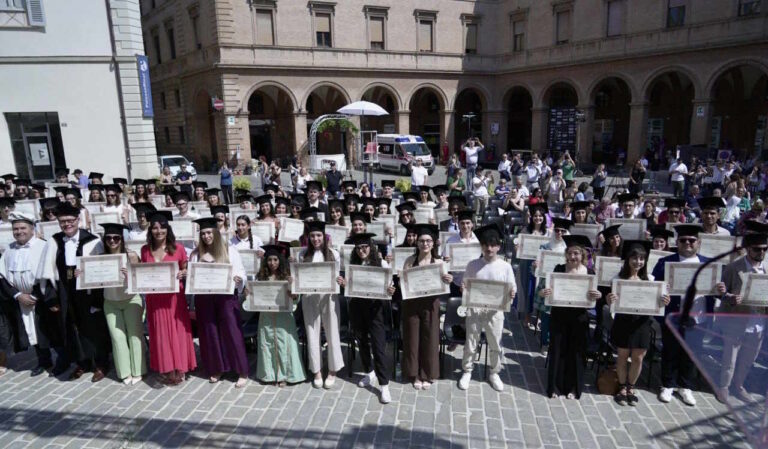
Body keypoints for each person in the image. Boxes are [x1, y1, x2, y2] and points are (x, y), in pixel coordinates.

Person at [651, 224, 726, 406]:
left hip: (697, 315)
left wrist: (720, 290)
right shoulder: (665, 262)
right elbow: (654, 287)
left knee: (692, 353)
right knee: (670, 351)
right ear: (677, 242)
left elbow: (715, 291)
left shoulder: (709, 264)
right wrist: (662, 295)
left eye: (691, 240)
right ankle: (667, 384)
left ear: (698, 243)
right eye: (683, 240)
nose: (687, 243)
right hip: (673, 314)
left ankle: (686, 387)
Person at [37, 202, 110, 381]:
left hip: (88, 293)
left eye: (70, 220)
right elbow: (46, 273)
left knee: (93, 326)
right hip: (64, 290)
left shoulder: (92, 241)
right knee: (71, 327)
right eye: (63, 221)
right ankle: (82, 363)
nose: (67, 224)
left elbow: (102, 270)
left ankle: (101, 363)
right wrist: (52, 299)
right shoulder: (54, 241)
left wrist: (97, 297)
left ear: (78, 220)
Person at [606, 240, 670, 406]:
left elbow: (657, 303)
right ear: (628, 260)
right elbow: (610, 302)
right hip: (623, 321)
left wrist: (664, 301)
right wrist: (609, 299)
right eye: (634, 258)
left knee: (638, 357)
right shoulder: (618, 278)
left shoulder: (651, 279)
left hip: (642, 323)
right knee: (622, 356)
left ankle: (631, 387)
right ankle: (621, 387)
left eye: (642, 259)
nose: (638, 262)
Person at [537, 235, 602, 399]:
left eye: (577, 254)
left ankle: (574, 387)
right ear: (566, 254)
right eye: (571, 253)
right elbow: (542, 291)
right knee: (558, 350)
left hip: (580, 318)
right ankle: (554, 387)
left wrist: (598, 294)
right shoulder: (558, 270)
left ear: (582, 255)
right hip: (559, 316)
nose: (573, 257)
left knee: (577, 352)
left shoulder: (590, 273)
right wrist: (543, 292)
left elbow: (598, 296)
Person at [190, 217, 249, 388]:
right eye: (203, 234)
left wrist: (239, 279)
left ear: (216, 233)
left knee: (232, 332)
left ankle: (241, 370)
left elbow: (241, 273)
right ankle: (217, 367)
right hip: (204, 299)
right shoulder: (195, 255)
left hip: (226, 298)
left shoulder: (229, 251)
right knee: (210, 333)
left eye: (209, 232)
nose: (207, 236)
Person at [457, 223, 516, 392]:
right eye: (485, 245)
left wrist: (511, 293)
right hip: (475, 309)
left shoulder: (505, 266)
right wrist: (464, 288)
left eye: (492, 245)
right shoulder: (473, 265)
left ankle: (494, 372)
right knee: (471, 341)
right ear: (481, 246)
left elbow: (512, 287)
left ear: (498, 246)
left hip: (495, 312)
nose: (489, 248)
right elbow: (466, 284)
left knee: (495, 342)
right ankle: (467, 370)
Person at [339, 233, 396, 404]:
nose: (362, 250)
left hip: (374, 308)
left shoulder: (382, 263)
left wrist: (390, 290)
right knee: (361, 341)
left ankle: (384, 384)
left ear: (371, 247)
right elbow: (349, 286)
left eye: (364, 247)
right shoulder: (353, 265)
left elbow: (389, 286)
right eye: (358, 248)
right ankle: (369, 371)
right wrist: (344, 284)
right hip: (357, 307)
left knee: (378, 346)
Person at [140, 211, 196, 386]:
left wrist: (184, 272)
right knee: (160, 332)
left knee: (176, 331)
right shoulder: (145, 250)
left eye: (162, 227)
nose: (158, 231)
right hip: (155, 299)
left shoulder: (178, 248)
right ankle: (167, 368)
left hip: (174, 298)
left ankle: (179, 367)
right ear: (151, 230)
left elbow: (186, 269)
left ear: (167, 229)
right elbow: (142, 272)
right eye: (155, 228)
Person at [715, 223, 767, 403]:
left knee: (748, 358)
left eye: (765, 249)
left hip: (759, 322)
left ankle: (739, 385)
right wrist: (730, 297)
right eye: (757, 249)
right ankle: (724, 387)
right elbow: (721, 293)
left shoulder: (767, 267)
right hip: (736, 320)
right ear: (747, 249)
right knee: (730, 357)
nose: (761, 253)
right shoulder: (734, 268)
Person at [400, 224, 453, 390]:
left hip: (431, 303)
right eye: (422, 241)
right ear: (417, 243)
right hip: (412, 303)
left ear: (433, 243)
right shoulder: (409, 261)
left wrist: (448, 279)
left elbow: (444, 284)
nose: (425, 244)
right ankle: (415, 373)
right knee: (413, 339)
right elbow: (405, 283)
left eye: (428, 241)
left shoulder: (438, 262)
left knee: (430, 338)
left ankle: (428, 373)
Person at [0, 213, 51, 376]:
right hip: (20, 298)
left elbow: (50, 274)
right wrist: (17, 295)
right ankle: (43, 361)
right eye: (15, 229)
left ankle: (62, 361)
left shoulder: (43, 246)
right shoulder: (9, 249)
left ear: (32, 229)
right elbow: (2, 277)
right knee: (31, 330)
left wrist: (35, 296)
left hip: (41, 296)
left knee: (47, 329)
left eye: (23, 228)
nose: (19, 231)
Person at [98, 223, 147, 385]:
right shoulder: (100, 257)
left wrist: (131, 274)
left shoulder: (131, 256)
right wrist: (82, 273)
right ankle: (125, 372)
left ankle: (138, 370)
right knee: (117, 337)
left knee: (135, 335)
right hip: (110, 302)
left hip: (131, 300)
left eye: (116, 238)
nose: (112, 241)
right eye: (109, 238)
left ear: (122, 239)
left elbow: (142, 278)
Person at [298, 220, 344, 388]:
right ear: (308, 238)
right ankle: (316, 369)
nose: (315, 239)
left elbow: (337, 275)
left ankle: (333, 369)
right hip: (309, 296)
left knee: (332, 331)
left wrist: (339, 280)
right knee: (312, 332)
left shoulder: (334, 253)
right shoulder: (302, 254)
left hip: (329, 296)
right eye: (312, 236)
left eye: (318, 235)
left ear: (324, 237)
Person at [255, 245, 305, 386]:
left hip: (284, 316)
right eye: (269, 260)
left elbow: (296, 298)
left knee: (284, 344)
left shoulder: (287, 276)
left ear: (280, 260)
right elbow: (256, 296)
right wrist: (249, 293)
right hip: (266, 315)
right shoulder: (261, 277)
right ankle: (269, 374)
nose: (272, 263)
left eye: (275, 259)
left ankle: (284, 375)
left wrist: (292, 290)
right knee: (267, 343)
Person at [532, 217, 571, 347]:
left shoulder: (570, 251)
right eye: (557, 230)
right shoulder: (545, 247)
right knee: (546, 316)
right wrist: (535, 266)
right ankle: (544, 342)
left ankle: (556, 343)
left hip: (563, 287)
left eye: (563, 231)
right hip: (546, 285)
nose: (559, 233)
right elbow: (534, 273)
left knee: (559, 316)